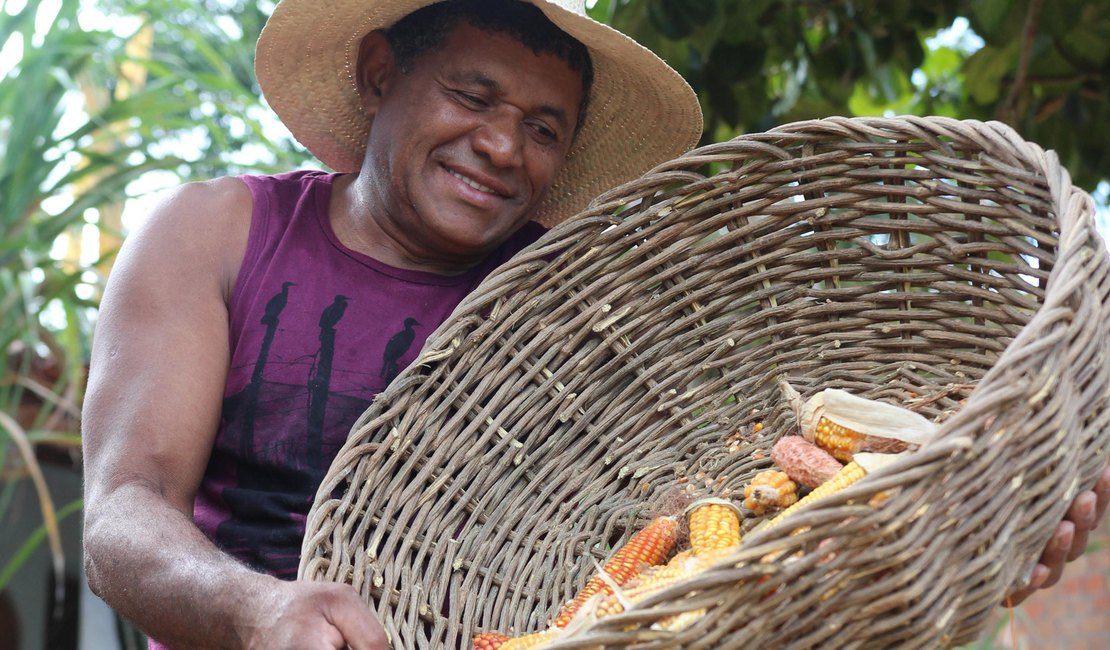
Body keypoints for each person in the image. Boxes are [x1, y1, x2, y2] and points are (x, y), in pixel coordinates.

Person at [80, 1, 1109, 649]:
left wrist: (962, 540)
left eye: (542, 129)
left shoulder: (582, 311)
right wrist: (257, 610)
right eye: (472, 95)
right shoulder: (219, 232)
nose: (499, 146)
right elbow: (122, 514)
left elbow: (698, 560)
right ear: (382, 71)